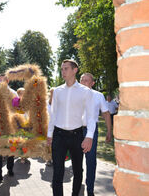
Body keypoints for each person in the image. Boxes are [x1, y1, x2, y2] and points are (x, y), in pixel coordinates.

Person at [47, 59, 96, 196]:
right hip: (59, 136)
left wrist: (89, 136)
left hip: (77, 136)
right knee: (57, 171)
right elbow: (53, 114)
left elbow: (91, 117)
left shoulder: (86, 92)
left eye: (66, 69)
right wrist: (50, 134)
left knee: (78, 170)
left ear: (75, 70)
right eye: (62, 69)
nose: (63, 72)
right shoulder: (57, 91)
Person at [80, 73, 112, 196]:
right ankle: (78, 182)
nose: (83, 82)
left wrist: (109, 131)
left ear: (92, 83)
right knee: (77, 160)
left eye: (86, 81)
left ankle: (90, 189)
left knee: (91, 161)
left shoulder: (98, 96)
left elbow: (106, 113)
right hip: (75, 130)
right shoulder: (74, 94)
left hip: (91, 131)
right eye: (82, 80)